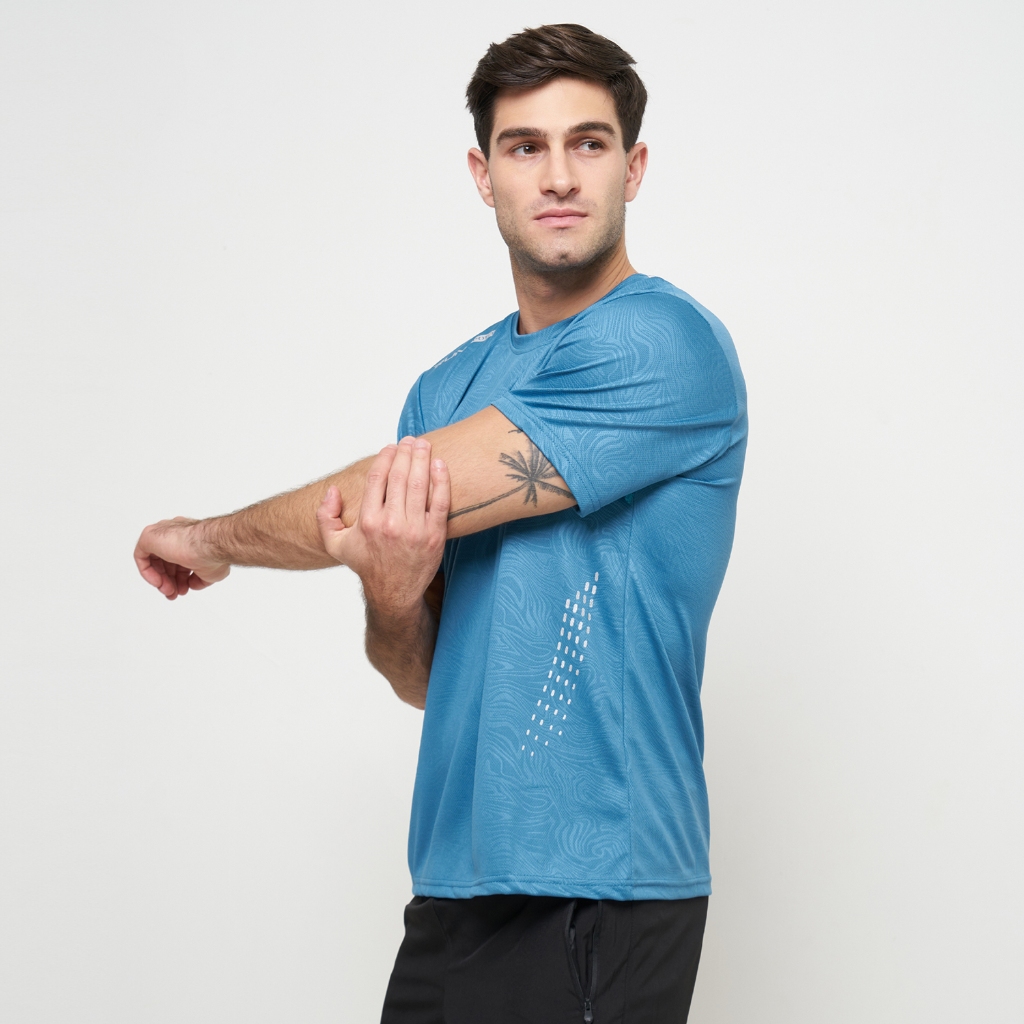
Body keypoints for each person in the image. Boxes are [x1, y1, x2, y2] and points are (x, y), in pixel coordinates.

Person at [134, 23, 747, 1023]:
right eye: (525, 146)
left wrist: (207, 540)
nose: (558, 175)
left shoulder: (663, 346)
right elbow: (428, 675)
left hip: (600, 887)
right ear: (482, 174)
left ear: (633, 168)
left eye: (588, 143)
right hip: (454, 886)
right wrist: (388, 593)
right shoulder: (446, 388)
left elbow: (358, 500)